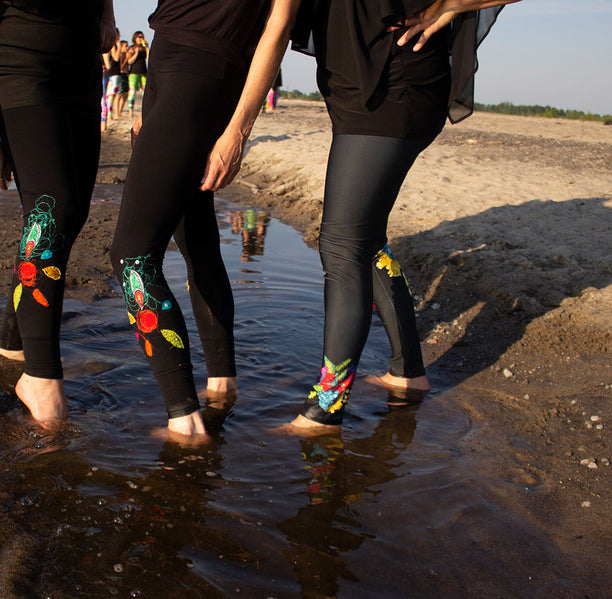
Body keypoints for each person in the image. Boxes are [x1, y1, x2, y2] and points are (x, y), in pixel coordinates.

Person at [285, 0, 520, 434]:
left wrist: (448, 6)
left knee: (341, 247)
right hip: (364, 89)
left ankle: (325, 411)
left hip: (394, 90)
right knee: (364, 239)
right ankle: (408, 372)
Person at [109, 0, 303, 440]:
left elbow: (279, 26)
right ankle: (222, 386)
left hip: (202, 73)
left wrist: (238, 131)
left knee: (131, 257)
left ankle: (185, 420)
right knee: (197, 240)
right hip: (170, 65)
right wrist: (147, 100)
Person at [0, 0, 116, 428]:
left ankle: (12, 343)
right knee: (51, 212)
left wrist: (107, 17)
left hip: (82, 73)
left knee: (72, 213)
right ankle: (39, 376)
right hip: (19, 71)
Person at [125, 31, 149, 117]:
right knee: (132, 92)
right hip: (133, 73)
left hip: (143, 72)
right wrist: (136, 53)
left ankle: (145, 111)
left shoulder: (144, 48)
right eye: (139, 37)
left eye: (142, 37)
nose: (141, 38)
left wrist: (147, 47)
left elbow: (148, 57)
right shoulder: (131, 48)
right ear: (135, 38)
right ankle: (130, 112)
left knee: (145, 92)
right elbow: (129, 61)